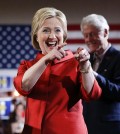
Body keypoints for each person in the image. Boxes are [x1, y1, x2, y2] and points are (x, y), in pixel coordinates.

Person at [14, 7, 102, 134]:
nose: (52, 36)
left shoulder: (75, 62)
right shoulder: (27, 66)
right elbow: (23, 86)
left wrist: (85, 65)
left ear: (64, 35)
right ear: (36, 37)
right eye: (45, 30)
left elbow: (92, 94)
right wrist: (47, 59)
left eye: (57, 30)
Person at [80, 14, 120, 134]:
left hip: (110, 127)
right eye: (86, 35)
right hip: (86, 124)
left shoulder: (118, 58)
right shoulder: (86, 59)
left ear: (105, 32)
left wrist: (93, 74)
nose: (88, 39)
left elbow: (118, 91)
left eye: (92, 34)